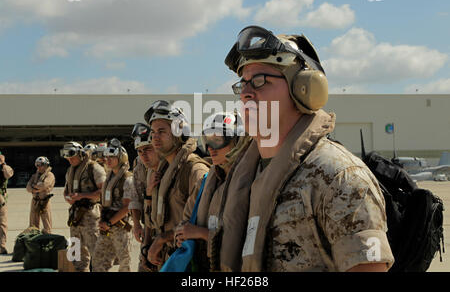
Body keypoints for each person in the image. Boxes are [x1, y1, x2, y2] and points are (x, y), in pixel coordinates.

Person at [219, 25, 394, 272]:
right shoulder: (247, 175)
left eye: (259, 81)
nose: (246, 93)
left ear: (304, 89)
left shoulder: (339, 177)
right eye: (243, 83)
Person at [174, 111, 250, 272]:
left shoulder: (251, 183)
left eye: (218, 140)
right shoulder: (206, 182)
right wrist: (181, 235)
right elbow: (186, 219)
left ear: (237, 141)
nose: (211, 149)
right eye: (207, 141)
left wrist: (202, 234)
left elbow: (250, 240)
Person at [144, 100, 210, 269]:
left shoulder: (194, 170)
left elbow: (201, 225)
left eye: (161, 131)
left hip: (186, 262)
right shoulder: (163, 170)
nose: (155, 137)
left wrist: (162, 239)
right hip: (166, 259)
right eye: (153, 132)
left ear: (179, 132)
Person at [62, 141, 106, 272]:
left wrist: (81, 196)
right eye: (67, 157)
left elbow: (103, 191)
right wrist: (67, 197)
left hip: (91, 215)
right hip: (75, 217)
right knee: (76, 253)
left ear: (81, 154)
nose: (70, 160)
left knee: (96, 252)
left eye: (72, 156)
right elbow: (66, 189)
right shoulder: (70, 170)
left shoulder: (94, 168)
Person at [92, 138, 133, 272]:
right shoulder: (109, 177)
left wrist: (109, 223)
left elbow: (127, 207)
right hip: (106, 226)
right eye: (107, 157)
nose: (108, 160)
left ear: (121, 158)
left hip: (120, 227)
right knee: (98, 260)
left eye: (112, 157)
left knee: (124, 263)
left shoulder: (127, 179)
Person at [129, 123, 161, 272]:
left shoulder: (169, 165)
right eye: (140, 151)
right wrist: (136, 225)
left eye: (148, 149)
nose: (143, 155)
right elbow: (135, 198)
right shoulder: (140, 167)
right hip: (149, 228)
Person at [26, 156, 55, 234]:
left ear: (46, 165)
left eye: (41, 164)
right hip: (35, 201)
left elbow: (44, 185)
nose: (39, 167)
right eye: (37, 165)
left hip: (44, 202)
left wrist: (34, 186)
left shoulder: (50, 175)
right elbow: (28, 187)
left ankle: (47, 239)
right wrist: (34, 188)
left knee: (47, 224)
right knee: (33, 224)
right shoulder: (34, 176)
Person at [0, 152, 14, 254]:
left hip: (1, 201)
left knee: (2, 224)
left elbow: (9, 174)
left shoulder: (4, 168)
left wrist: (3, 163)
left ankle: (1, 246)